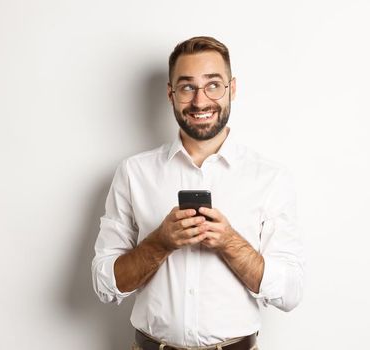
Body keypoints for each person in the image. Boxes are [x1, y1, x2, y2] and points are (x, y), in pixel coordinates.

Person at [91, 36, 305, 350]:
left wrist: (230, 242)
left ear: (232, 89)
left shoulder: (270, 178)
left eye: (213, 85)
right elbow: (104, 285)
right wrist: (160, 242)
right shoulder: (133, 173)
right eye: (187, 87)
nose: (200, 101)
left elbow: (290, 293)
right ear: (171, 94)